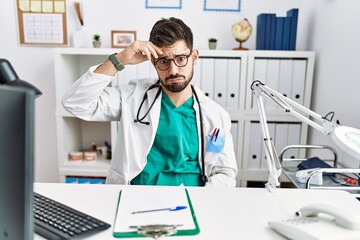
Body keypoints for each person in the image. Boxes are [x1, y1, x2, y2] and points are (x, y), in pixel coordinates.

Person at [62, 17, 237, 187]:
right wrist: (120, 59)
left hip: (192, 201)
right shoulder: (133, 97)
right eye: (164, 62)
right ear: (154, 62)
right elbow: (75, 103)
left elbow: (225, 172)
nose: (173, 70)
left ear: (194, 57)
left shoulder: (216, 116)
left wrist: (202, 200)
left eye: (181, 59)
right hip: (138, 199)